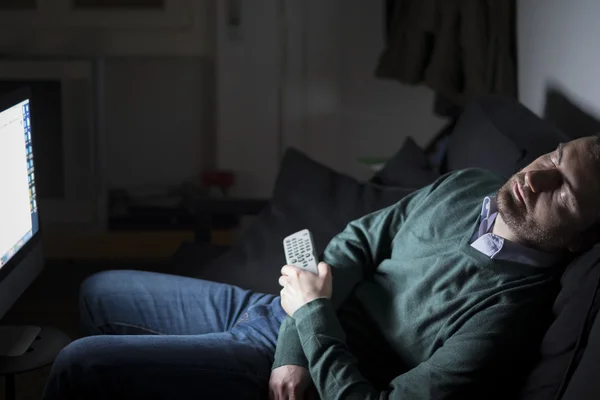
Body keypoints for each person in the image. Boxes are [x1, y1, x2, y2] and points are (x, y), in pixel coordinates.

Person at [42, 136, 600, 400]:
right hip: (278, 319)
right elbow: (360, 239)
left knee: (80, 364)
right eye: (552, 157)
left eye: (566, 192)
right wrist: (296, 327)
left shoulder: (506, 318)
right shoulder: (472, 184)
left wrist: (308, 322)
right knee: (97, 290)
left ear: (580, 242)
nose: (537, 177)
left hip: (305, 373)